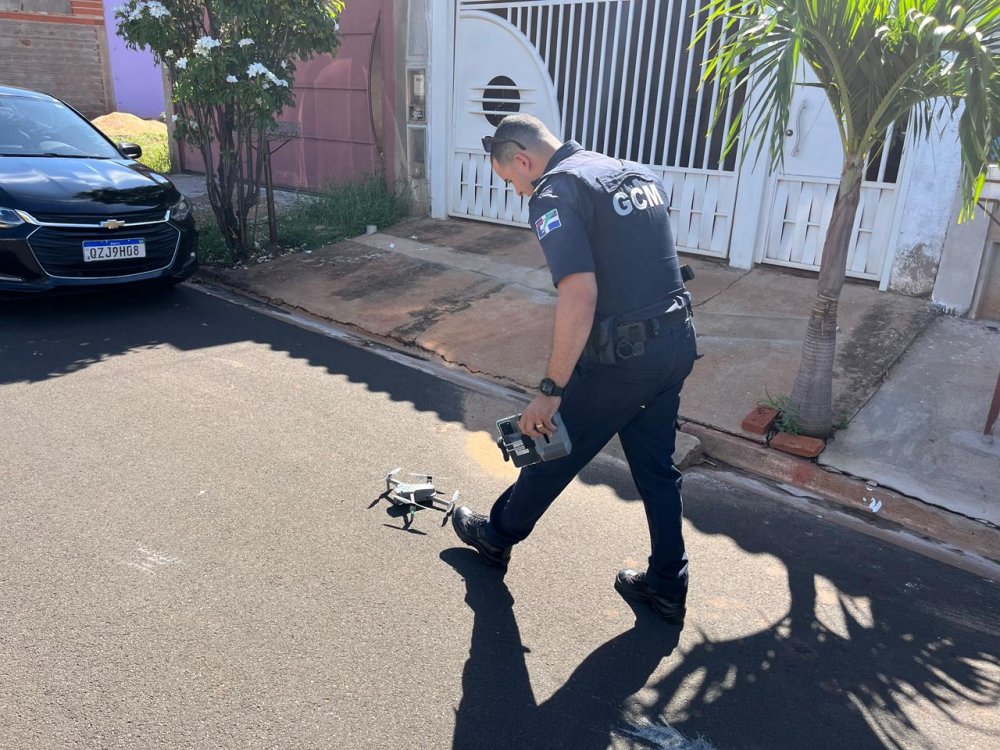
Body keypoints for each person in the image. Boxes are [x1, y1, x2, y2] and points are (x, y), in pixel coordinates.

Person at [450, 114, 699, 625]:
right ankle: (667, 584)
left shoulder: (556, 193)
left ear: (523, 160)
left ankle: (495, 537)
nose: (518, 192)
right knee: (657, 469)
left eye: (512, 181)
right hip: (675, 343)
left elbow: (580, 294)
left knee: (552, 448)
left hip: (623, 360)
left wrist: (551, 390)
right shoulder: (631, 172)